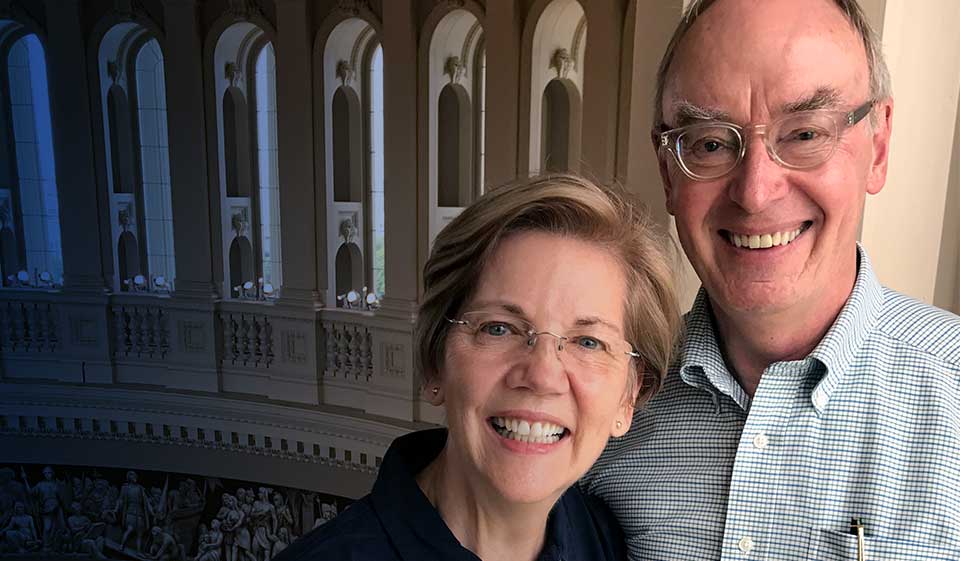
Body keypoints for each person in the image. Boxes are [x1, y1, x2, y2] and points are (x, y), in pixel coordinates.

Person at [581, 0, 960, 559]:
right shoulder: (608, 404)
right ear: (668, 171)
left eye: (805, 134)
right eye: (710, 143)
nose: (755, 192)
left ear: (878, 146)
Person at [275, 174, 681, 561]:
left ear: (627, 398)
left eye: (588, 342)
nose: (542, 375)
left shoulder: (610, 543)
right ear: (435, 363)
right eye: (499, 329)